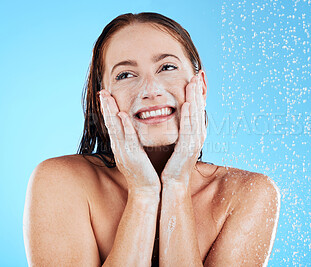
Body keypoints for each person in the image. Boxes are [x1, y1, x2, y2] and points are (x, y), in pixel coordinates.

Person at [23, 12, 280, 266]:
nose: (150, 89)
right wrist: (143, 193)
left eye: (167, 67)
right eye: (125, 75)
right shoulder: (60, 181)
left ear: (200, 86)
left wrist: (176, 185)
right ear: (103, 102)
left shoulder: (246, 193)